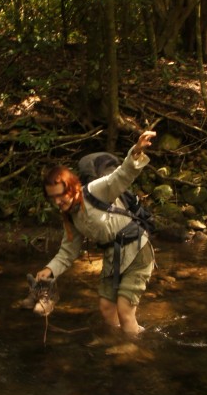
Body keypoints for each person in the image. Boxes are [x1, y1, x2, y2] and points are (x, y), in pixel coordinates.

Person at [36, 130, 156, 337]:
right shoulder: (70, 217)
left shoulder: (94, 191)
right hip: (113, 257)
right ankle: (119, 340)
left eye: (60, 195)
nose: (57, 202)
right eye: (52, 198)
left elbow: (121, 175)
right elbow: (67, 252)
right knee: (107, 308)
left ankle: (133, 349)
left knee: (125, 309)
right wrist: (49, 270)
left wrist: (136, 151)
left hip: (137, 250)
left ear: (72, 188)